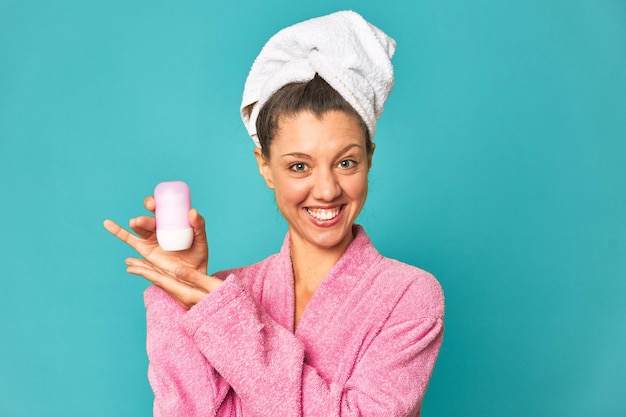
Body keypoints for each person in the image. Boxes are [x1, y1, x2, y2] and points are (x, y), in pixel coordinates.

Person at [104, 10, 444, 417]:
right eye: (299, 166)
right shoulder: (222, 295)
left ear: (369, 157)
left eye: (346, 162)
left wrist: (227, 321)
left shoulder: (409, 296)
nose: (326, 190)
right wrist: (182, 291)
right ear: (265, 166)